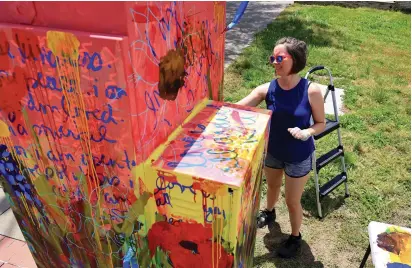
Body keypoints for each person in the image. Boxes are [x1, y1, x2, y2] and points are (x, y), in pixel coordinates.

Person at [236, 37, 325, 258]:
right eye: (272, 58)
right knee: (273, 187)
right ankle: (269, 212)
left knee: (292, 200)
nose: (274, 63)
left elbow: (321, 123)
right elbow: (238, 107)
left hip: (298, 155)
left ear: (294, 60)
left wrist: (307, 132)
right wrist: (214, 109)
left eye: (279, 58)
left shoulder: (311, 90)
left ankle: (295, 237)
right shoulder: (268, 89)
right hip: (273, 152)